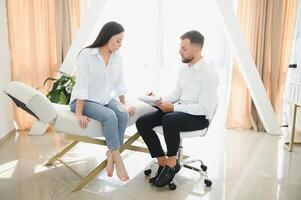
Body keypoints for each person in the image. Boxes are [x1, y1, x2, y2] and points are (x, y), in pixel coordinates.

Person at [136, 30, 219, 187]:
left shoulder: (209, 74)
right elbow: (176, 94)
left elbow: (204, 108)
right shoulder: (184, 70)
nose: (179, 51)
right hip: (180, 111)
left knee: (169, 119)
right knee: (142, 122)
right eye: (180, 47)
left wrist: (173, 108)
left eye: (184, 48)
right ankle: (163, 162)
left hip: (199, 117)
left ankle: (172, 164)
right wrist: (158, 99)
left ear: (197, 49)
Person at [70, 21, 135, 181]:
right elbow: (82, 85)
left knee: (122, 114)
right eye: (118, 40)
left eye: (122, 41)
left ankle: (112, 153)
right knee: (110, 117)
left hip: (104, 99)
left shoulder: (117, 57)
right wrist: (79, 113)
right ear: (107, 37)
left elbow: (120, 83)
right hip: (84, 102)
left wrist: (123, 104)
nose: (120, 44)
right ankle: (117, 159)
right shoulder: (87, 55)